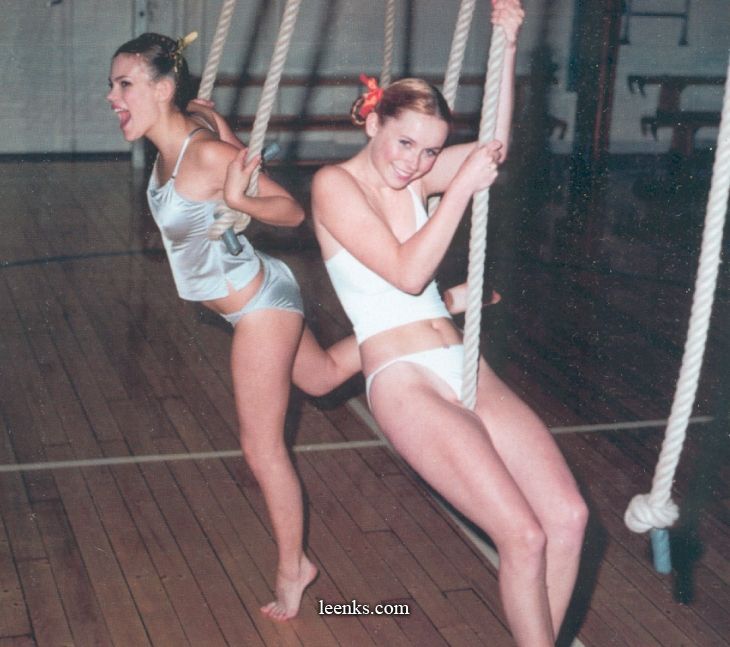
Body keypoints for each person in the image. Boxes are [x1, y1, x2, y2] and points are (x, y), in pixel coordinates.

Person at [311, 2, 588, 645]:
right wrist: (458, 187)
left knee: (568, 518)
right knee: (522, 535)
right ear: (373, 122)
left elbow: (494, 148)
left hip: (461, 361)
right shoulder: (334, 185)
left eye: (430, 151)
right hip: (403, 378)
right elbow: (407, 273)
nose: (414, 163)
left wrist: (507, 44)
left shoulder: (413, 177)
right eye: (404, 142)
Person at [107, 32, 360, 621]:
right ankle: (422, 319)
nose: (112, 97)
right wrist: (220, 129)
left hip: (260, 307)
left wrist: (241, 200)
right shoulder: (186, 130)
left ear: (162, 89)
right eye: (111, 85)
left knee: (261, 448)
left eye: (124, 84)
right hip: (256, 292)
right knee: (323, 377)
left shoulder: (203, 156)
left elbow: (291, 211)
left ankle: (294, 568)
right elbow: (216, 127)